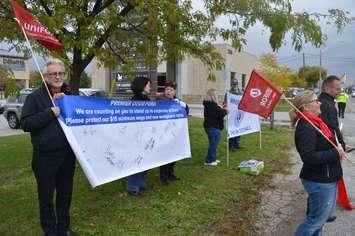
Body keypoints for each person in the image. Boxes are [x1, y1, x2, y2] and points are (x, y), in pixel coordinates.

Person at [20, 59, 77, 236]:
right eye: (53, 73)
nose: (58, 76)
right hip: (45, 157)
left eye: (60, 73)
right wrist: (49, 113)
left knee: (65, 194)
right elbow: (25, 123)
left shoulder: (69, 94)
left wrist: (66, 102)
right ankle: (50, 231)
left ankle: (63, 228)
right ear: (45, 76)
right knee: (46, 197)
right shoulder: (35, 97)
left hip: (67, 155)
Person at [290, 90, 344, 236]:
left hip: (327, 177)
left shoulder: (316, 123)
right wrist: (335, 152)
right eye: (316, 100)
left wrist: (337, 147)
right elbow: (308, 156)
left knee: (320, 220)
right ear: (306, 107)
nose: (319, 102)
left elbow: (324, 145)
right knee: (315, 221)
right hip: (319, 180)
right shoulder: (306, 127)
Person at [157, 80, 189, 185]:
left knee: (174, 155)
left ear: (174, 92)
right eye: (167, 89)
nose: (169, 91)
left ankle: (170, 173)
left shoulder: (177, 101)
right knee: (164, 156)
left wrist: (185, 106)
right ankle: (163, 177)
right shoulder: (160, 101)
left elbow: (185, 114)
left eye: (171, 90)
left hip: (175, 133)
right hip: (164, 133)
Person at [126, 76, 151, 196]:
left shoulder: (145, 98)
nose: (150, 87)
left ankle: (141, 183)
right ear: (142, 86)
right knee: (137, 161)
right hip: (137, 136)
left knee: (145, 160)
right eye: (148, 85)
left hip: (145, 134)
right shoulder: (137, 100)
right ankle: (133, 187)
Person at [203, 88, 227, 166]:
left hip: (212, 126)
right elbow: (219, 113)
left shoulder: (210, 104)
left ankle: (212, 158)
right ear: (213, 96)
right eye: (216, 94)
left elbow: (218, 111)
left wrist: (222, 110)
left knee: (214, 144)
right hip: (213, 127)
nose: (217, 96)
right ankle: (209, 161)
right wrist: (225, 111)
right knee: (213, 144)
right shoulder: (211, 105)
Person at [224, 80, 242, 150]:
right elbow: (225, 103)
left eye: (236, 84)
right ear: (231, 85)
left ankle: (237, 144)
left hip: (239, 113)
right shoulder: (228, 93)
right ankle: (231, 146)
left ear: (237, 84)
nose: (235, 85)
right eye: (233, 84)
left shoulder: (241, 93)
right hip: (231, 114)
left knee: (239, 129)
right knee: (232, 130)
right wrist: (225, 109)